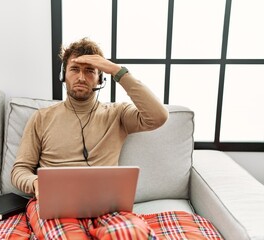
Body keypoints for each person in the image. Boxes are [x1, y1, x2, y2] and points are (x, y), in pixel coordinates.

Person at [11, 38, 169, 239]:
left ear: (100, 79)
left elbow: (159, 116)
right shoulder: (41, 118)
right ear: (63, 75)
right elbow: (19, 170)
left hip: (107, 206)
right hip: (56, 205)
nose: (81, 77)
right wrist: (35, 183)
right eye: (74, 69)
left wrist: (117, 71)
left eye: (90, 71)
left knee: (132, 233)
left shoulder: (118, 113)